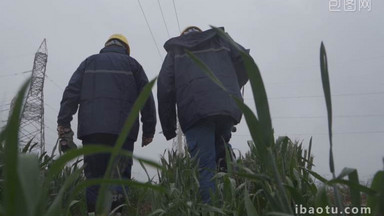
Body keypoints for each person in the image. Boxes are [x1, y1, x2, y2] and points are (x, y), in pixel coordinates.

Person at [57, 34, 156, 214]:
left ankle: (94, 212)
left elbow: (71, 93)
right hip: (123, 132)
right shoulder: (133, 65)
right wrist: (148, 130)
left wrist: (64, 122)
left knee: (94, 177)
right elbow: (146, 98)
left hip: (92, 131)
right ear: (126, 49)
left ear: (107, 45)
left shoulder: (89, 62)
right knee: (118, 177)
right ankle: (116, 212)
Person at [157, 26, 250, 203]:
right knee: (222, 154)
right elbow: (245, 60)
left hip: (195, 111)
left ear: (182, 35)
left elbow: (165, 89)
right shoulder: (221, 39)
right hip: (225, 107)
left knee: (205, 166)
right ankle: (234, 200)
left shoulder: (177, 50)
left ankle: (212, 209)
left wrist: (168, 128)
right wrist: (233, 85)